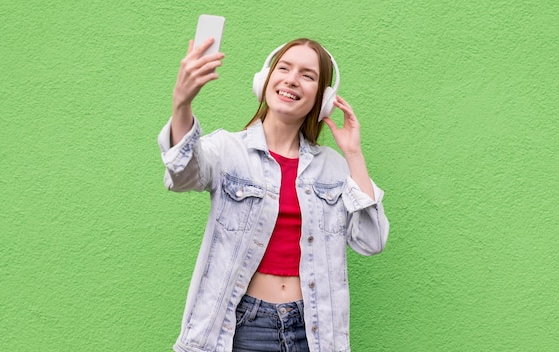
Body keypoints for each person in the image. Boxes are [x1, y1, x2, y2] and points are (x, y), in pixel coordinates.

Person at [158, 37, 390, 352]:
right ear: (265, 80)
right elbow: (181, 176)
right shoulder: (228, 150)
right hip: (244, 326)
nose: (292, 79)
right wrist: (181, 103)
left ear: (322, 99)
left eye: (308, 75)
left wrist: (354, 155)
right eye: (284, 68)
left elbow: (371, 240)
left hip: (314, 329)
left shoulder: (333, 168)